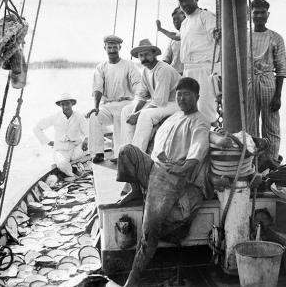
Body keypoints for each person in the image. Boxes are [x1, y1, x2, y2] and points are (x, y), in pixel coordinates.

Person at [118, 77, 210, 287]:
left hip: (172, 178)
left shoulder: (200, 120)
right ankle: (135, 190)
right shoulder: (174, 116)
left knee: (150, 230)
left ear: (197, 96)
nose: (182, 98)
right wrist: (158, 157)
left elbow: (199, 148)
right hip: (156, 167)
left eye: (187, 94)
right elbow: (158, 144)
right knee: (126, 151)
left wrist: (182, 167)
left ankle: (134, 276)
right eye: (179, 94)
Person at [86, 35, 141, 163]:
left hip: (125, 103)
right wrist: (96, 107)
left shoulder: (129, 65)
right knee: (94, 116)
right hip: (108, 104)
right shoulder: (101, 67)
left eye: (114, 47)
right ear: (105, 48)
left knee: (120, 118)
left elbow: (138, 86)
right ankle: (98, 153)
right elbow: (97, 88)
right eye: (109, 47)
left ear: (119, 48)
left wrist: (138, 105)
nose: (112, 50)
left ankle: (119, 155)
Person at [121, 39, 181, 153]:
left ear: (154, 54)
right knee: (126, 111)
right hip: (162, 103)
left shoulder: (163, 69)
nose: (144, 58)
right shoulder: (145, 71)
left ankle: (138, 155)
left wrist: (138, 114)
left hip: (175, 103)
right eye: (141, 55)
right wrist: (134, 112)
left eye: (147, 54)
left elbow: (159, 101)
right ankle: (128, 151)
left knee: (145, 115)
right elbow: (142, 96)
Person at [247, 0, 286, 161]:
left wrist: (278, 95)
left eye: (262, 12)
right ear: (250, 14)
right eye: (255, 12)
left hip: (268, 83)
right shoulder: (244, 37)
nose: (259, 15)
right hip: (249, 83)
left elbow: (281, 69)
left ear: (268, 15)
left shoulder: (275, 38)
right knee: (250, 125)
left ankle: (270, 161)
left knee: (271, 126)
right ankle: (253, 162)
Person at [173, 0, 220, 124]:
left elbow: (217, 35)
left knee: (205, 105)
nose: (184, 3)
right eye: (181, 1)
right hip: (189, 69)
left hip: (204, 68)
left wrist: (217, 33)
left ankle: (210, 133)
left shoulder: (206, 16)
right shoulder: (184, 23)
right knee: (188, 106)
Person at [34, 93, 88, 179]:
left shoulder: (79, 117)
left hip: (76, 148)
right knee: (62, 164)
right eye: (63, 104)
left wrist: (86, 139)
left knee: (93, 146)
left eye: (67, 104)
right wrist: (48, 142)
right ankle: (74, 175)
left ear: (72, 104)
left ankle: (75, 166)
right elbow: (37, 128)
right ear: (60, 105)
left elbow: (88, 131)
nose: (65, 106)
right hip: (61, 150)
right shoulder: (55, 117)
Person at [156, 7, 186, 75]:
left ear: (186, 18)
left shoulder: (191, 33)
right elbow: (167, 58)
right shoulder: (172, 40)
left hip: (188, 74)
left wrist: (160, 29)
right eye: (174, 19)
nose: (175, 21)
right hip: (173, 74)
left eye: (178, 18)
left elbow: (176, 36)